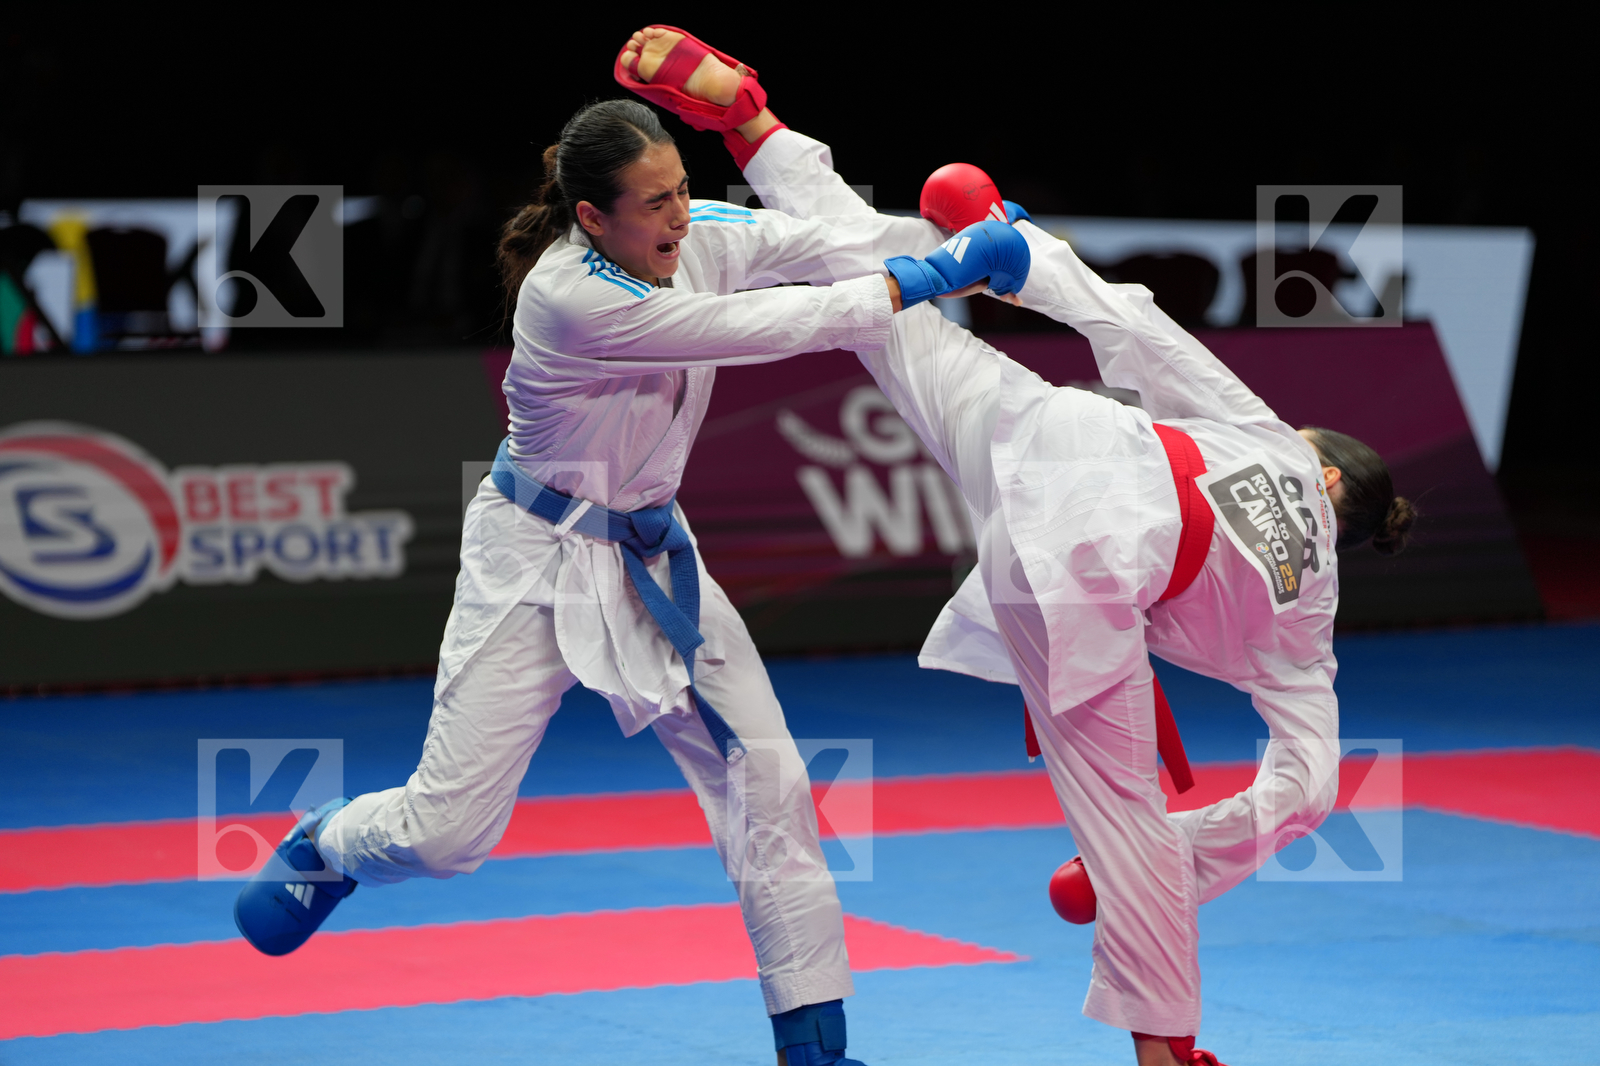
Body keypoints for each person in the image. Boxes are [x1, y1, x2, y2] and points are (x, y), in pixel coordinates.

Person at [617, 26, 1414, 1066]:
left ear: (1331, 478)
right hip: (1077, 575)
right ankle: (1166, 1046)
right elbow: (1304, 789)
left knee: (882, 298)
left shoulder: (1272, 441)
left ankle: (753, 119)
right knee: (1127, 825)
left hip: (1060, 441)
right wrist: (1189, 849)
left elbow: (1139, 331)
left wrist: (1022, 259)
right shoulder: (1306, 629)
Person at [230, 58, 1030, 1066]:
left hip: (657, 554)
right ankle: (329, 840)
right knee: (446, 835)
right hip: (532, 556)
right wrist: (941, 273)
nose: (680, 217)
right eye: (654, 204)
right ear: (590, 217)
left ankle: (817, 1053)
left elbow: (819, 242)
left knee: (769, 785)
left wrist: (982, 238)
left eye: (684, 190)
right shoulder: (572, 301)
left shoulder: (694, 238)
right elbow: (783, 323)